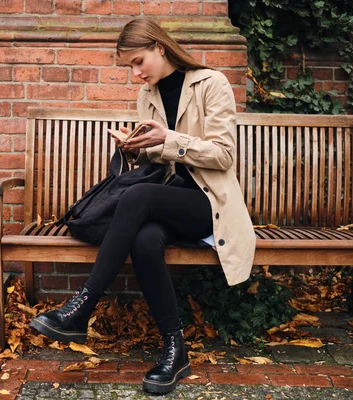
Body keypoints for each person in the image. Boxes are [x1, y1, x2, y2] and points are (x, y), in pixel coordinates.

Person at [30, 18, 256, 395]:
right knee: (145, 240)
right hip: (163, 200)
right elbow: (157, 168)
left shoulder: (210, 83)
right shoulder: (147, 96)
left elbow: (224, 155)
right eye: (129, 67)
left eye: (138, 62)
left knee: (137, 199)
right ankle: (175, 349)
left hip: (206, 205)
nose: (135, 74)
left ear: (160, 48)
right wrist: (135, 149)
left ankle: (82, 306)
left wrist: (169, 138)